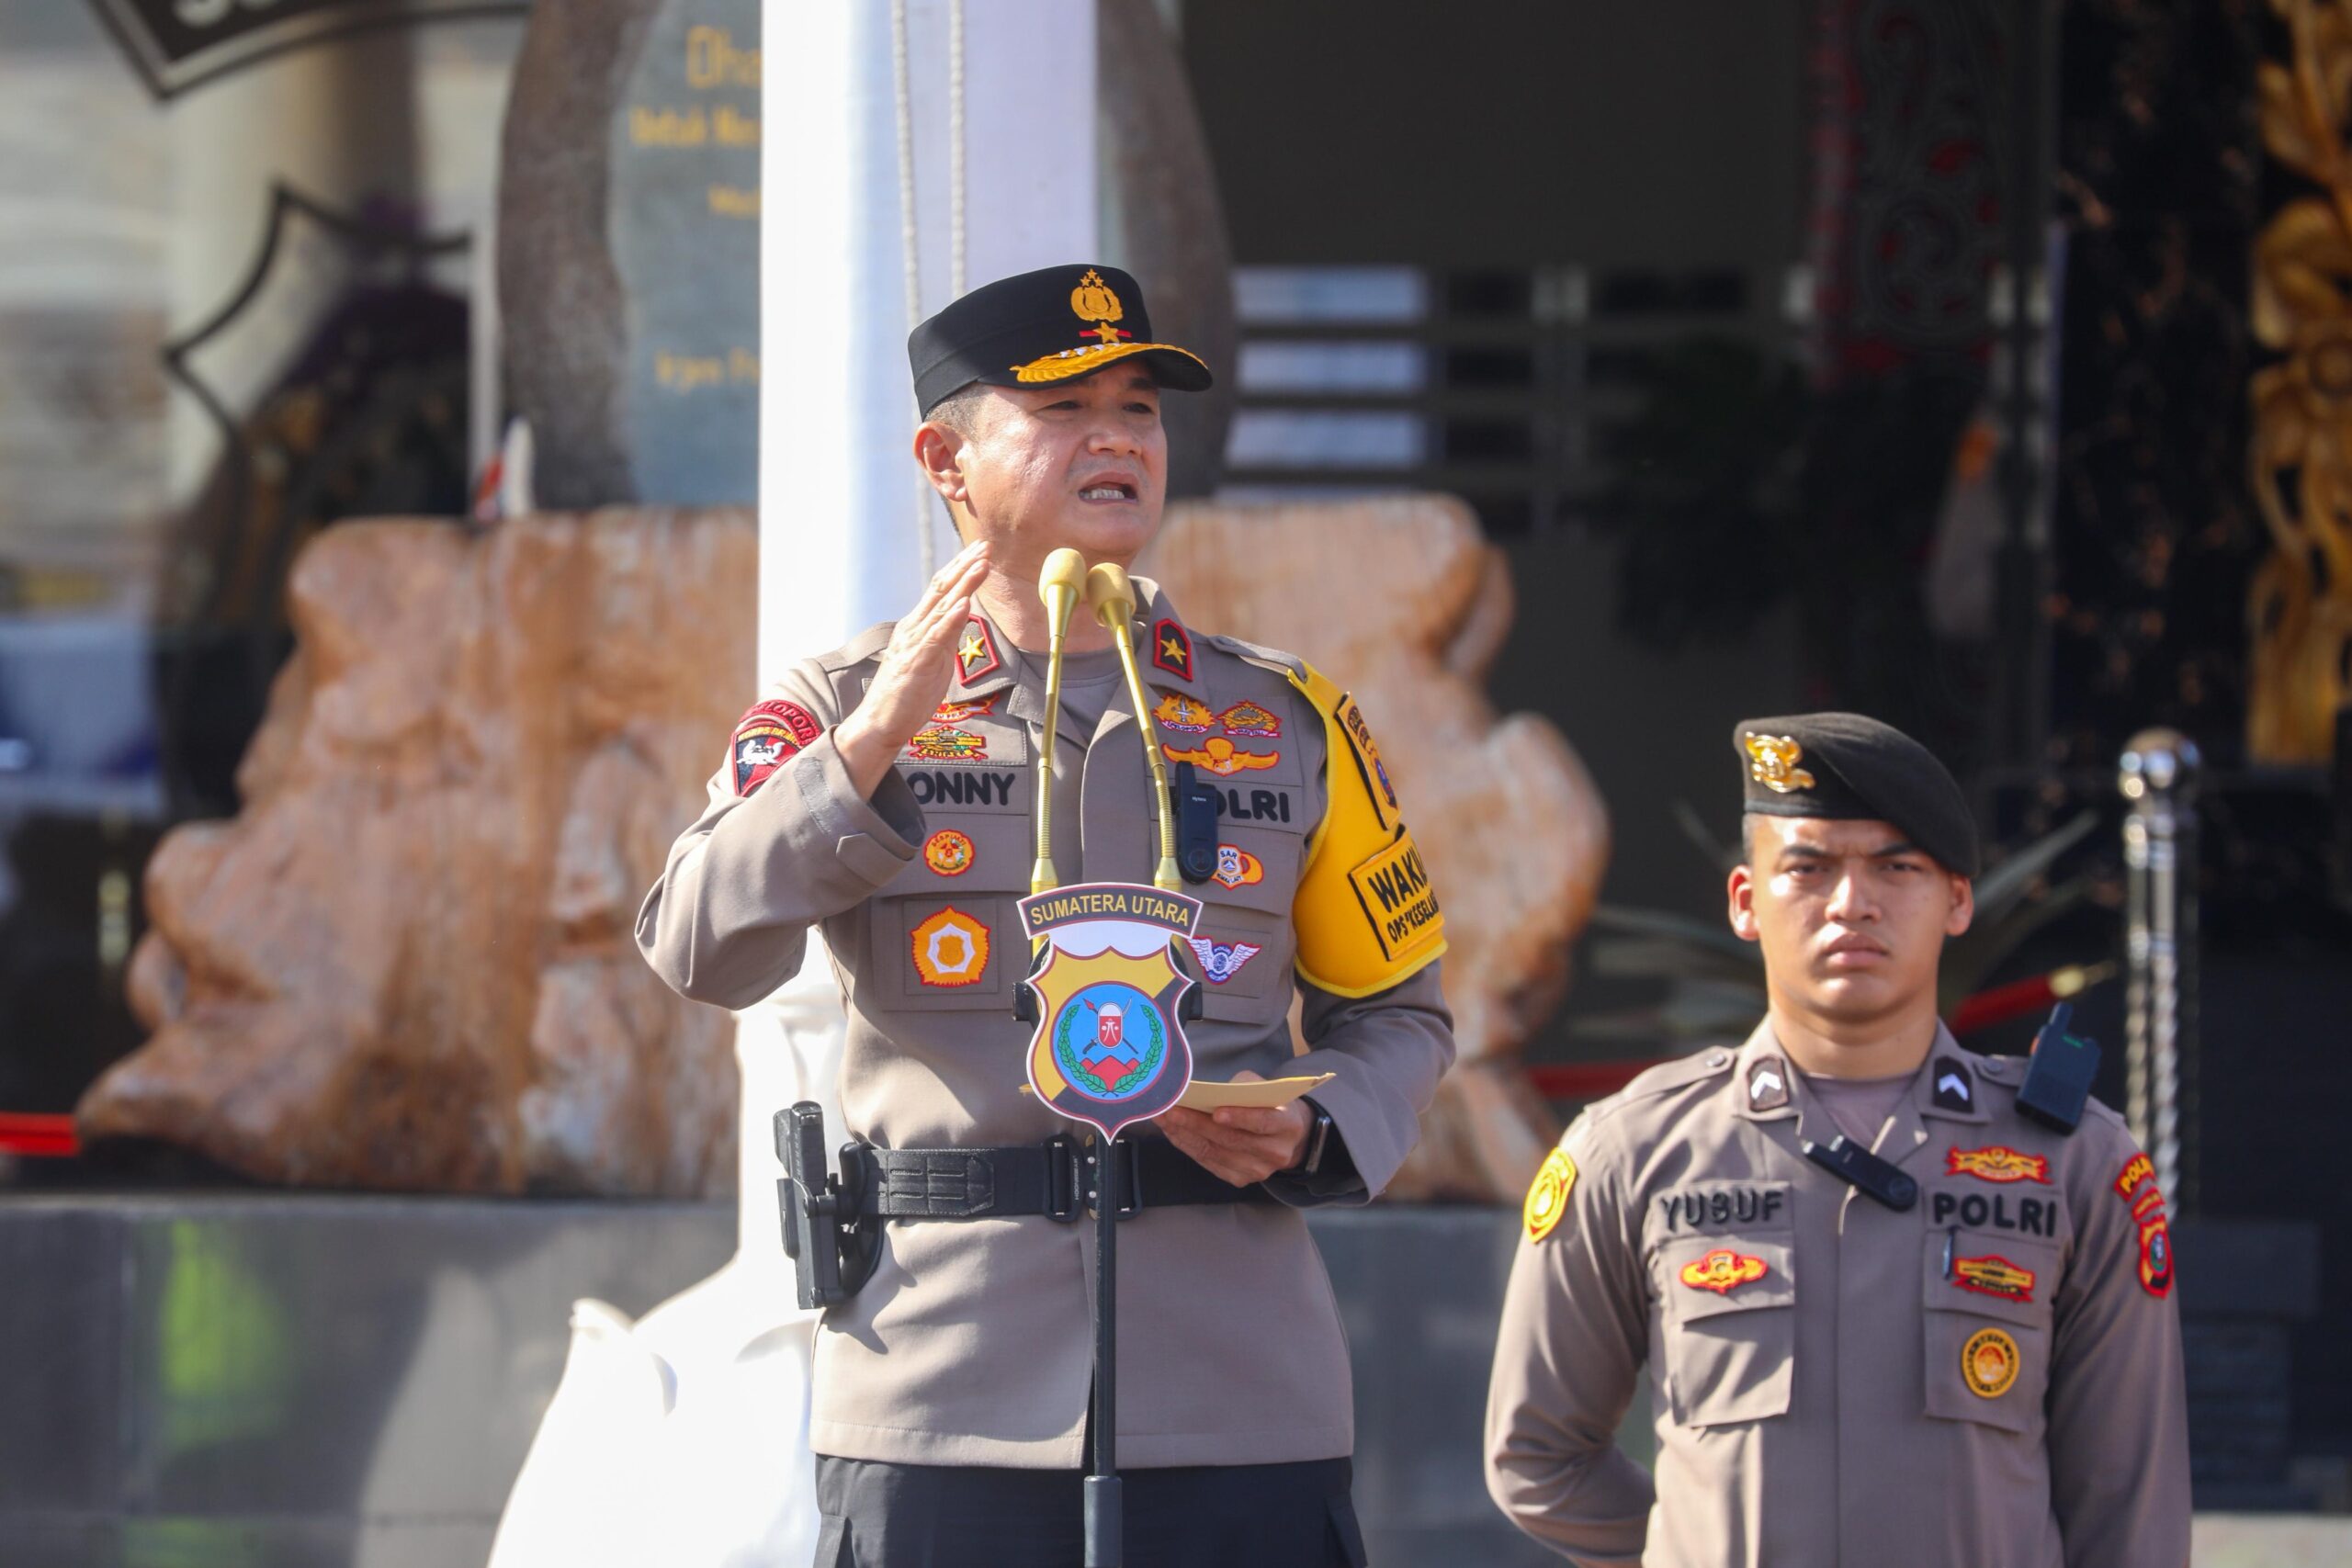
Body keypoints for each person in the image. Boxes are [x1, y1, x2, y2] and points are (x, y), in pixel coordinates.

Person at [638, 263, 1455, 1567]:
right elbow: (695, 942)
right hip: (941, 1393)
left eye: (1140, 409)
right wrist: (866, 749)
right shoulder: (842, 703)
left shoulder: (1285, 718)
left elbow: (1401, 1013)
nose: (1117, 439)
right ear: (943, 459)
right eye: (1064, 409)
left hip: (1238, 1393)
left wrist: (1319, 1124)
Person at [1483, 713, 2190, 1567]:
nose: (1853, 903)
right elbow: (1538, 1455)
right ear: (1745, 900)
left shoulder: (2076, 1164)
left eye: (1897, 866)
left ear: (1957, 898)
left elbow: (2130, 1507)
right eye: (1809, 868)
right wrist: (1693, 1543)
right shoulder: (1633, 1153)